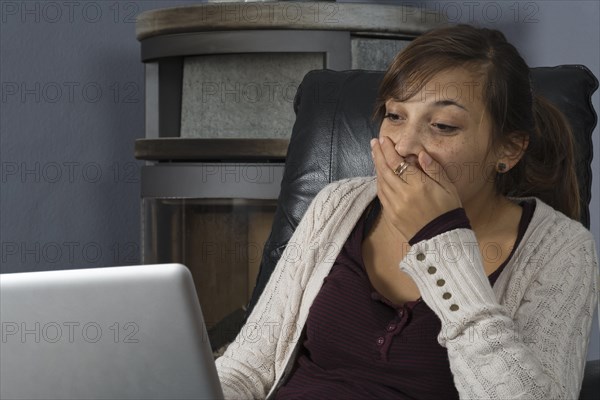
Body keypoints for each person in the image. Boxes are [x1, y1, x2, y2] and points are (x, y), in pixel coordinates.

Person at [215, 24, 599, 399]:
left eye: (444, 126)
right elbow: (248, 368)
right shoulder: (337, 203)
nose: (404, 145)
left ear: (508, 150)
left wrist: (439, 237)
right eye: (395, 116)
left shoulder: (563, 251)